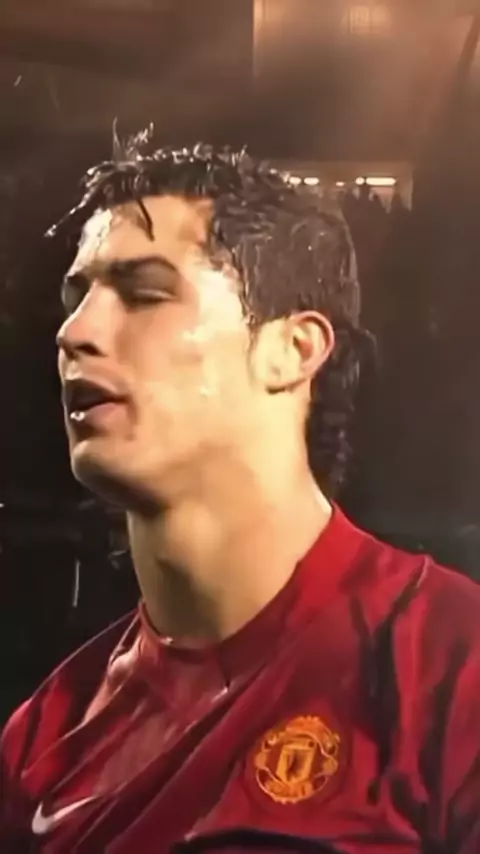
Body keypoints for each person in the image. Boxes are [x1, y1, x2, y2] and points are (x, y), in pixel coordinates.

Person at [1, 137, 479, 854]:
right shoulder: (40, 740)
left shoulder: (450, 665)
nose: (76, 332)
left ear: (293, 349)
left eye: (145, 293)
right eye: (78, 299)